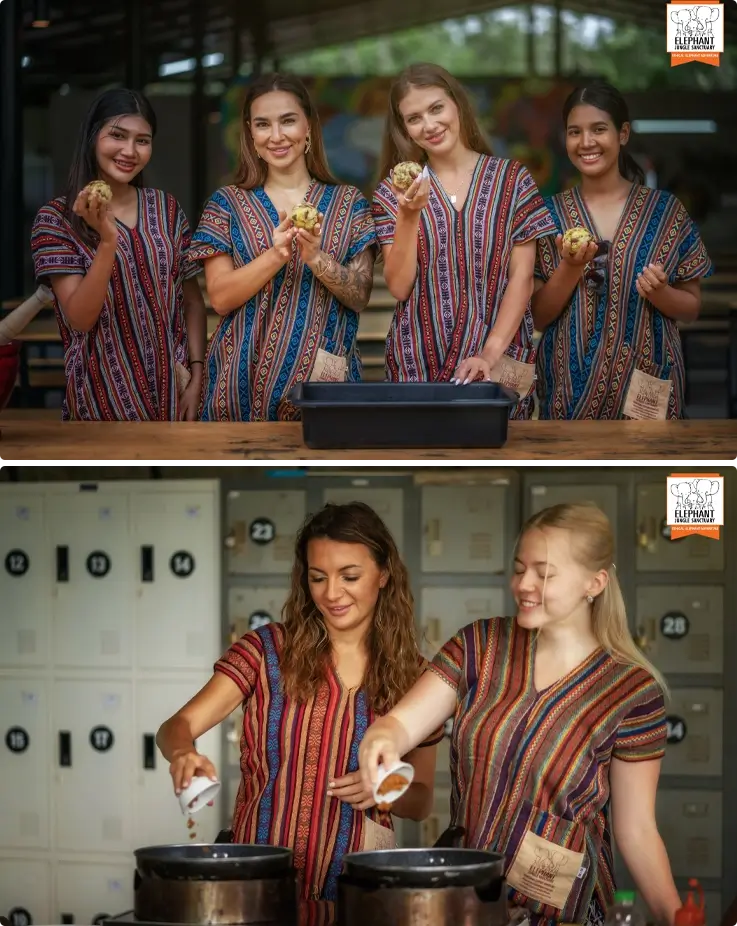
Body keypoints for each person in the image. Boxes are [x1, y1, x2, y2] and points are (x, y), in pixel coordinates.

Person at [358, 502, 681, 926]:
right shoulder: (479, 646)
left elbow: (635, 831)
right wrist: (382, 740)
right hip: (470, 902)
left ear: (595, 582)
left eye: (544, 573)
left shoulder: (632, 693)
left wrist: (679, 918)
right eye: (519, 568)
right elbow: (402, 723)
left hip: (566, 915)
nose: (523, 584)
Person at [157, 502, 440, 902]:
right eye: (318, 577)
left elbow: (422, 800)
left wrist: (385, 791)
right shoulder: (266, 650)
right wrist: (183, 752)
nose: (331, 593)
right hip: (259, 881)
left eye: (350, 576)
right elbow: (176, 726)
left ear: (383, 575)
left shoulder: (417, 678)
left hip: (356, 890)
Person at [372, 63, 556, 418]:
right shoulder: (390, 193)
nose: (429, 125)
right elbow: (398, 286)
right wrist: (408, 215)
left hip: (500, 362)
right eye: (414, 118)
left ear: (457, 104)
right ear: (404, 129)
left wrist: (490, 353)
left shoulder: (512, 180)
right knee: (423, 469)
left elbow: (522, 278)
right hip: (417, 366)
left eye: (436, 108)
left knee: (502, 468)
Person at [189, 74, 377, 421]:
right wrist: (277, 255)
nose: (276, 136)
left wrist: (316, 258)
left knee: (324, 477)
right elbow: (220, 297)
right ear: (250, 133)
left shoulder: (349, 202)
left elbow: (360, 295)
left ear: (309, 126)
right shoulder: (225, 204)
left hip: (324, 392)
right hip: (237, 387)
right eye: (263, 124)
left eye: (288, 120)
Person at [532, 81, 713, 420]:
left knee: (648, 473)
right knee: (567, 474)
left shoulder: (665, 212)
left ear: (623, 133)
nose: (586, 142)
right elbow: (538, 316)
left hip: (648, 388)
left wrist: (660, 293)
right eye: (575, 132)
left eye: (598, 129)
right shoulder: (547, 216)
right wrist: (570, 268)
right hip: (569, 393)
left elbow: (691, 309)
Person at [30, 88, 206, 421]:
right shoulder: (56, 219)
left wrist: (197, 375)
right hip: (100, 400)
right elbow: (79, 319)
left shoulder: (166, 209)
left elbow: (192, 301)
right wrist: (108, 241)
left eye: (143, 140)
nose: (130, 151)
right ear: (92, 136)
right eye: (117, 135)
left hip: (175, 396)